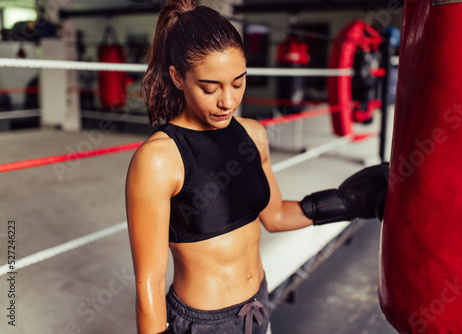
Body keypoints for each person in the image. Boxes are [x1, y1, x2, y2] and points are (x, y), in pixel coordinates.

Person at [126, 1, 389, 333]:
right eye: (210, 88)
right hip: (203, 324)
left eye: (238, 83)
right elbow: (147, 282)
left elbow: (276, 216)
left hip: (258, 306)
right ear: (178, 77)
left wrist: (348, 201)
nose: (228, 101)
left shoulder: (252, 134)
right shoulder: (160, 159)